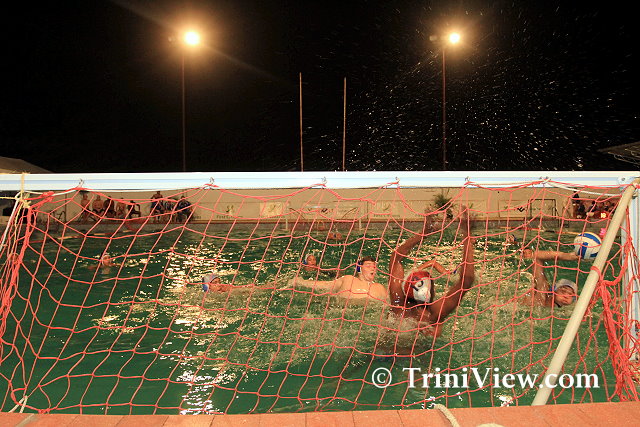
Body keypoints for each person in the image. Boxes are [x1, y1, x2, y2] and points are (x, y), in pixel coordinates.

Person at [388, 210, 476, 337]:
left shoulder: (397, 305)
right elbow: (467, 280)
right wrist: (467, 235)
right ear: (431, 291)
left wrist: (424, 233)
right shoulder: (433, 314)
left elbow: (395, 257)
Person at [289, 256, 386, 301]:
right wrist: (300, 281)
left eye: (374, 267)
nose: (372, 268)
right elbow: (324, 285)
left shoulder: (380, 288)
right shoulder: (348, 280)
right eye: (368, 266)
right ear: (359, 269)